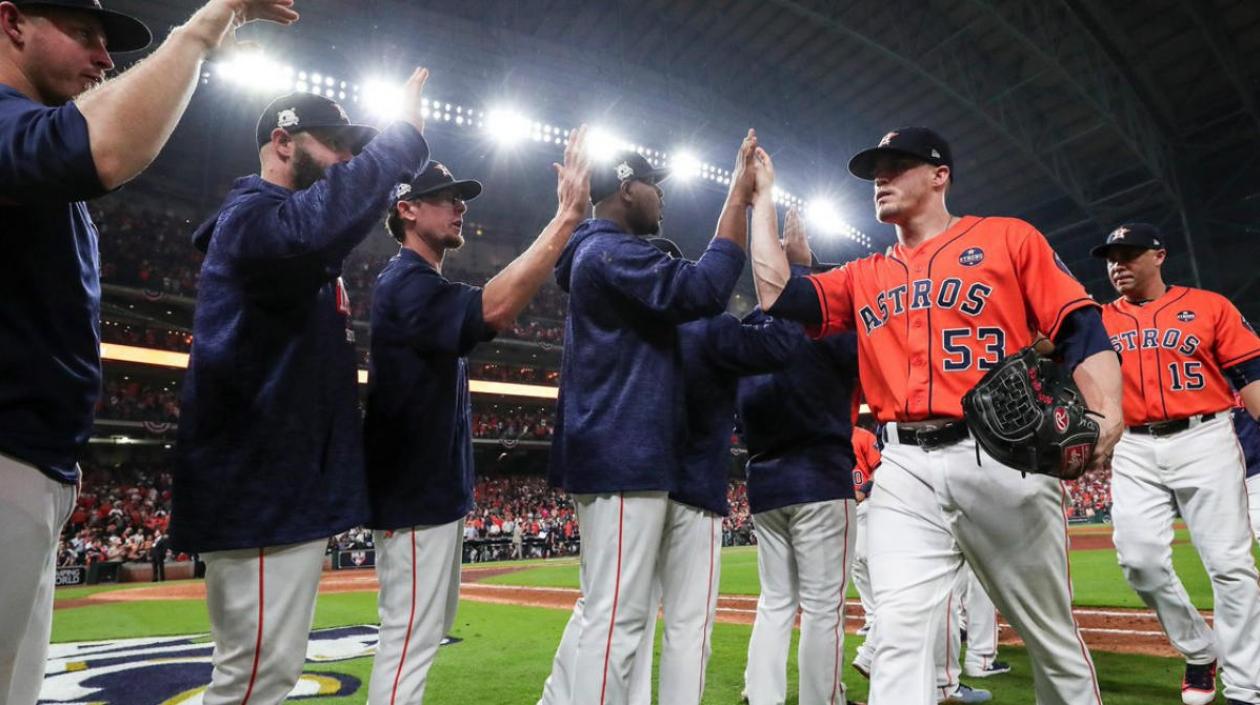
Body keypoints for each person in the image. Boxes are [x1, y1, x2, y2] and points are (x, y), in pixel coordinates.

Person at [748, 128, 1123, 705]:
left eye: (896, 165)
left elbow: (1081, 325)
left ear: (939, 174)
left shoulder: (1007, 239)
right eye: (876, 170)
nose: (881, 178)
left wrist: (1107, 409)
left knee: (1049, 639)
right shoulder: (863, 274)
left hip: (1003, 455)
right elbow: (778, 295)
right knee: (896, 634)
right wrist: (762, 197)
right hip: (902, 465)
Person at [0, 1, 297, 703]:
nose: (104, 57)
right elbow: (102, 149)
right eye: (83, 33)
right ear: (11, 21)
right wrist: (206, 26)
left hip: (33, 459)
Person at [170, 69, 431, 705]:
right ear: (283, 141)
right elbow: (315, 222)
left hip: (279, 487)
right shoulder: (249, 219)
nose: (345, 157)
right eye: (333, 142)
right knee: (253, 682)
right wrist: (400, 141)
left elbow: (324, 225)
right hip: (259, 486)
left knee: (265, 677)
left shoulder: (286, 233)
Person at [363, 130, 591, 705]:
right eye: (443, 196)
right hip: (413, 499)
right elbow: (494, 307)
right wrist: (565, 219)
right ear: (406, 209)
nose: (459, 204)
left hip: (430, 499)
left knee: (421, 637)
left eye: (460, 196)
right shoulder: (404, 282)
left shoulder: (421, 282)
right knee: (408, 643)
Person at [537, 131, 757, 705]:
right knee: (617, 622)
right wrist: (737, 198)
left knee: (609, 616)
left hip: (617, 453)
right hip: (621, 454)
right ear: (627, 189)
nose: (661, 197)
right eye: (653, 186)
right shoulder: (610, 251)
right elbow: (707, 288)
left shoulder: (599, 252)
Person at [627, 236, 802, 705]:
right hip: (694, 489)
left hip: (633, 486)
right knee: (687, 625)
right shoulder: (706, 325)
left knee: (626, 623)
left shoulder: (631, 323)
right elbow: (783, 343)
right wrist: (798, 271)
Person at [1092, 222, 1260, 705]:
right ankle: (1199, 648)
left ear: (1159, 255)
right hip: (1134, 446)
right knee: (1139, 561)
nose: (1118, 265)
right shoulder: (1098, 320)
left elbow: (1249, 373)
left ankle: (1247, 686)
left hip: (1204, 436)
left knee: (1230, 565)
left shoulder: (1210, 306)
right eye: (1111, 257)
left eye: (1129, 254)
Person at [736, 211, 862, 705]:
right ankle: (821, 699)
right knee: (823, 607)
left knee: (775, 601)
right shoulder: (820, 327)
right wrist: (812, 271)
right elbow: (855, 322)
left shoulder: (749, 326)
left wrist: (801, 271)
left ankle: (760, 696)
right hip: (821, 477)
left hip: (764, 479)